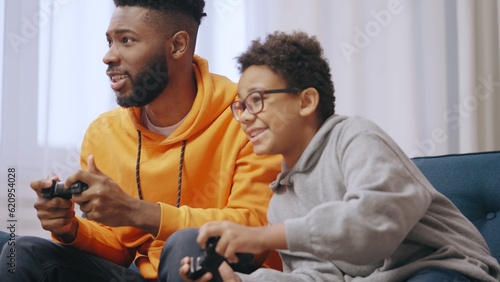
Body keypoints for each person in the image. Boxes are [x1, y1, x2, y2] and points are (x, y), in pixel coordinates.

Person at [178, 31, 500, 282]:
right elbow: (319, 277)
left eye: (257, 100)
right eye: (240, 106)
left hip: (443, 269)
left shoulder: (355, 137)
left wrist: (261, 236)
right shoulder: (281, 203)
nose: (245, 117)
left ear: (306, 102)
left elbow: (374, 225)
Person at [0, 1, 281, 281]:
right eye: (110, 41)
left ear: (178, 46)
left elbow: (253, 235)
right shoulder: (104, 133)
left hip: (215, 270)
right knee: (18, 250)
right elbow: (120, 247)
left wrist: (139, 212)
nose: (109, 56)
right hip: (139, 274)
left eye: (126, 40)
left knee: (186, 244)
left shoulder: (247, 119)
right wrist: (69, 228)